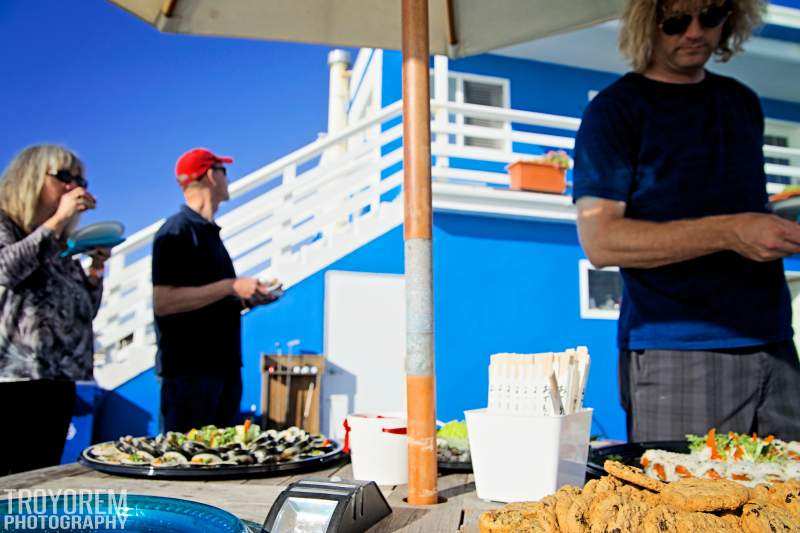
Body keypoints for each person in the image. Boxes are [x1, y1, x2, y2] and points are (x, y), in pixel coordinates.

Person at [573, 0, 800, 442]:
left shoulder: (741, 103)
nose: (695, 31)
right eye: (676, 20)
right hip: (676, 350)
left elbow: (747, 210)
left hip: (774, 340)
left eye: (710, 16)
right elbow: (601, 242)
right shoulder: (615, 111)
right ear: (647, 23)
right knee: (683, 505)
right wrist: (733, 232)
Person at [152, 148, 280, 433]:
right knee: (186, 467)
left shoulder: (210, 235)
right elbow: (164, 302)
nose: (228, 179)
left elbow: (207, 301)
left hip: (222, 371)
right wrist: (231, 286)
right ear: (211, 175)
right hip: (190, 376)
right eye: (224, 171)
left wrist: (246, 300)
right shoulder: (176, 231)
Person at [0, 145, 108, 475]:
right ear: (30, 178)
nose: (75, 187)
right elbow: (5, 270)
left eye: (80, 180)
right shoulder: (8, 224)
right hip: (16, 382)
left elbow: (84, 313)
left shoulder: (61, 246)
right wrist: (57, 221)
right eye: (64, 177)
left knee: (38, 480)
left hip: (59, 382)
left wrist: (94, 275)